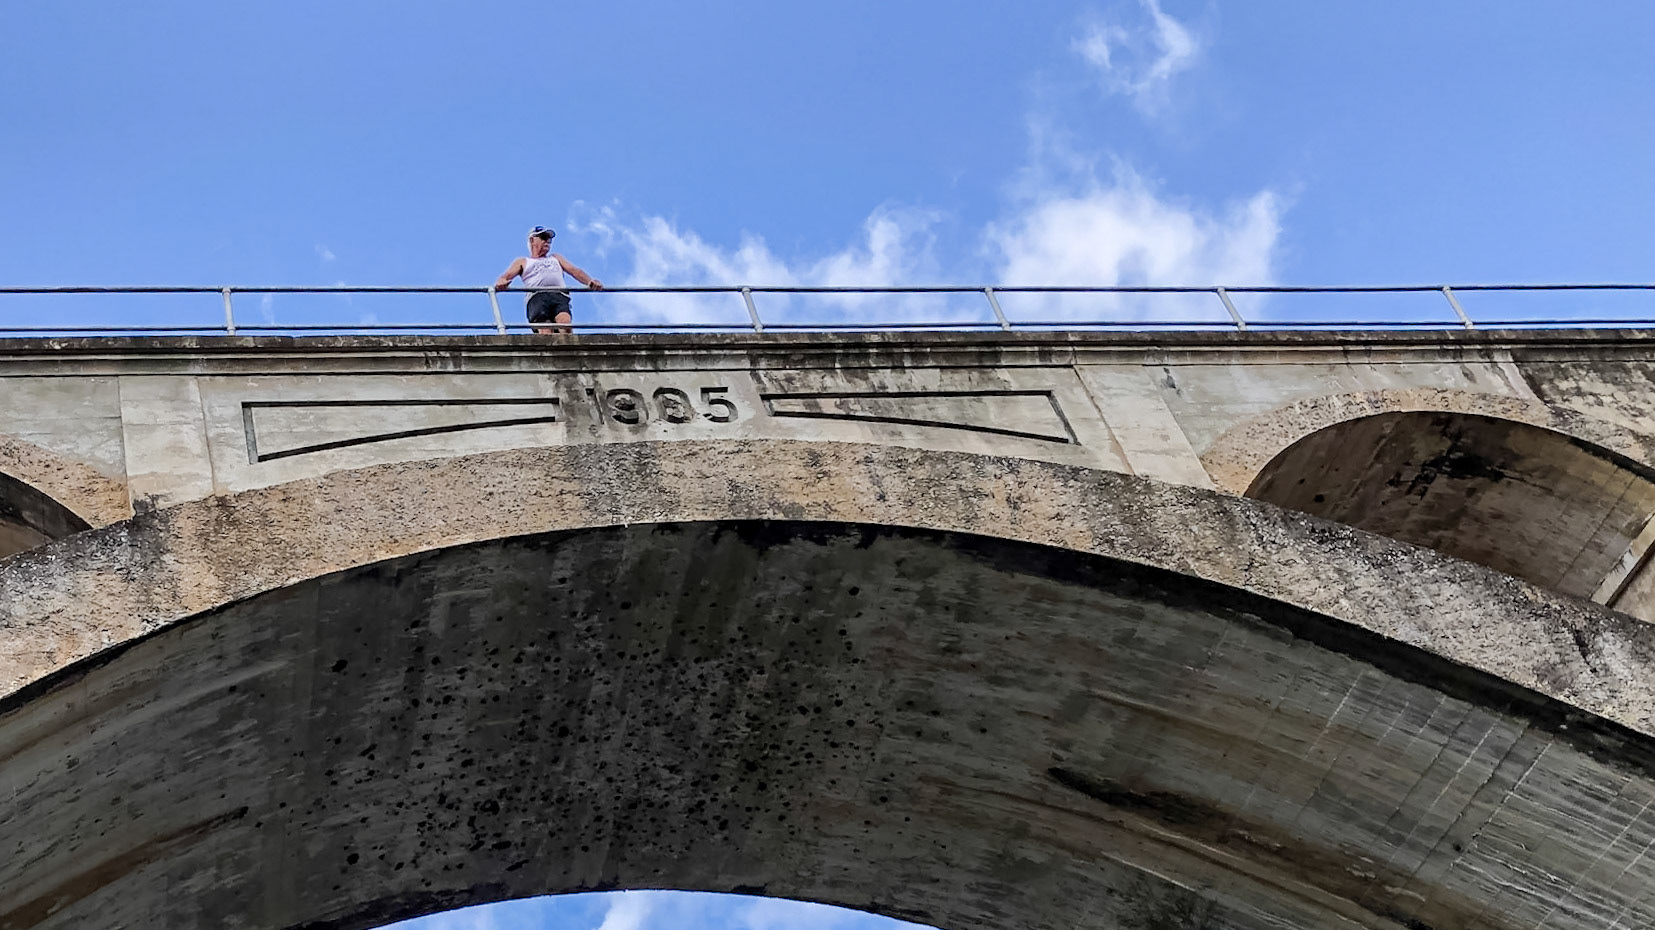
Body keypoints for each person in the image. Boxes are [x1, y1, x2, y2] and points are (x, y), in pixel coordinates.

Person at [494, 226, 603, 334]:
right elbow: (506, 276)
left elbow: (574, 271)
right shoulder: (523, 261)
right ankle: (549, 349)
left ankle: (568, 349)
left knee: (565, 323)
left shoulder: (555, 258)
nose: (547, 242)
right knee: (546, 330)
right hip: (537, 297)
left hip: (558, 295)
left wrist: (590, 281)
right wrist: (501, 282)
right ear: (532, 240)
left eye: (549, 239)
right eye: (543, 238)